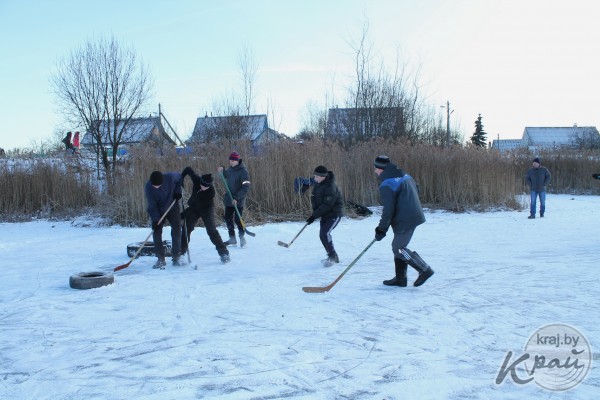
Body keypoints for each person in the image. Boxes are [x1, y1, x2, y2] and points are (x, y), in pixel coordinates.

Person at [373, 155, 434, 287]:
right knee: (397, 246)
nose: (375, 171)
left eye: (376, 168)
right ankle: (401, 279)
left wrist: (381, 229)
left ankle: (424, 269)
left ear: (381, 169)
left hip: (406, 218)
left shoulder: (387, 183)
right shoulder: (404, 174)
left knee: (398, 248)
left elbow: (388, 210)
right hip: (412, 214)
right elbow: (417, 189)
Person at [180, 166, 231, 263]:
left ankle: (224, 253)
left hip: (206, 208)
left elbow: (198, 204)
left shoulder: (211, 192)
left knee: (211, 230)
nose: (203, 188)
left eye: (206, 187)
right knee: (186, 228)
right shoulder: (197, 179)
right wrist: (181, 178)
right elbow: (188, 169)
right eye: (202, 185)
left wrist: (185, 213)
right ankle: (181, 252)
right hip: (194, 207)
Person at [145, 170, 184, 268]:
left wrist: (178, 191)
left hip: (172, 205)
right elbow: (152, 206)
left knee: (177, 229)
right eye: (155, 186)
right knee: (156, 231)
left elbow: (180, 177)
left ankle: (176, 256)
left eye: (158, 185)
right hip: (159, 209)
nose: (156, 187)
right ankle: (160, 258)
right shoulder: (149, 187)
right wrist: (155, 220)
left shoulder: (170, 177)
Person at [306, 165, 344, 266]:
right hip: (324, 214)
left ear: (323, 176)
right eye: (314, 176)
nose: (314, 178)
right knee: (322, 235)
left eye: (316, 176)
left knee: (325, 233)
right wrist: (314, 214)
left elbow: (327, 205)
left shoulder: (331, 186)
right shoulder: (318, 184)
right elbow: (313, 198)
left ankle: (333, 256)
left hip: (334, 214)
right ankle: (331, 255)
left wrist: (314, 216)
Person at [217, 152, 251, 247]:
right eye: (229, 161)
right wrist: (222, 169)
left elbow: (246, 187)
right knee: (228, 218)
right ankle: (232, 238)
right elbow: (225, 175)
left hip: (238, 200)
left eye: (232, 161)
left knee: (237, 219)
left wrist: (237, 197)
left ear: (237, 161)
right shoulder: (230, 169)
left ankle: (241, 238)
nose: (230, 162)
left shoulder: (243, 171)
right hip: (229, 199)